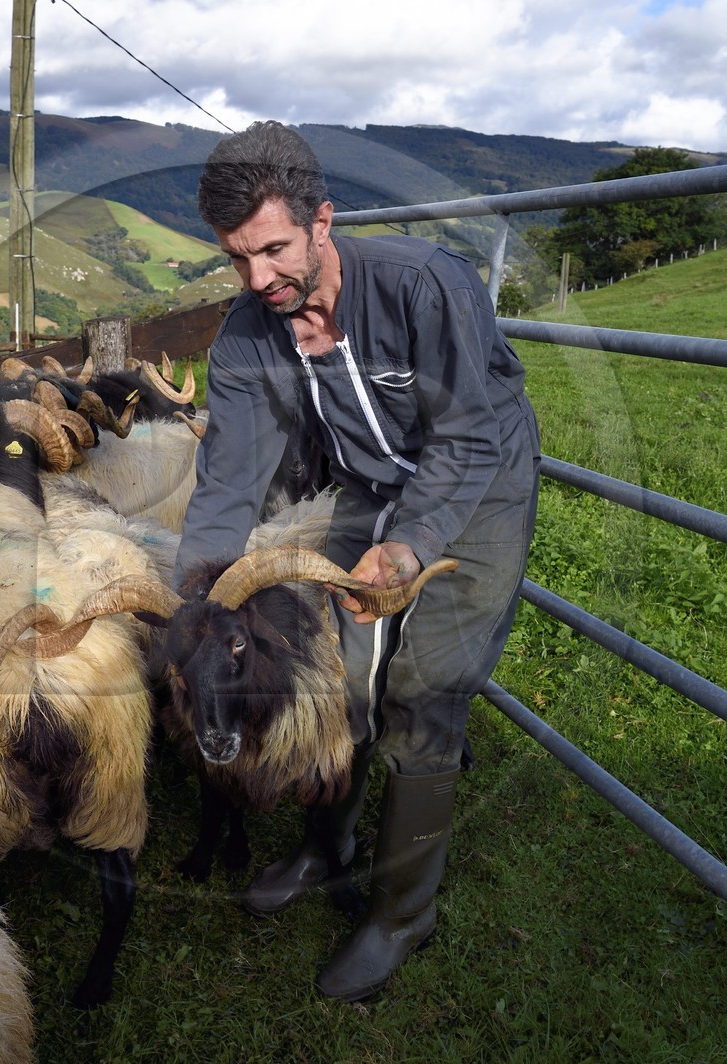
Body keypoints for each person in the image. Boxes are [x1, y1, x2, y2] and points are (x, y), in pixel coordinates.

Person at [173, 120, 542, 1002]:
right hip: (371, 490)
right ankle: (327, 843)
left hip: (480, 484)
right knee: (332, 677)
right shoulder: (246, 339)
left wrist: (410, 546)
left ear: (322, 222)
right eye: (237, 259)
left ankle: (400, 914)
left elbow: (465, 434)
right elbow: (227, 484)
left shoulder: (424, 287)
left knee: (423, 689)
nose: (259, 278)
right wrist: (200, 598)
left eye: (273, 249)